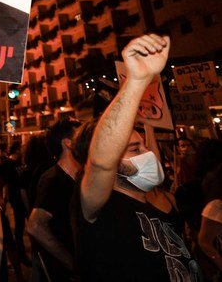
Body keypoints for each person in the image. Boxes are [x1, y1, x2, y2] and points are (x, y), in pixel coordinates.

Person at [71, 34, 202, 281]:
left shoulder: (157, 202)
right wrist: (137, 81)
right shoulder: (97, 206)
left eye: (142, 146)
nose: (148, 154)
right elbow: (101, 161)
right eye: (134, 149)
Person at [26, 119, 81, 281]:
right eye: (81, 137)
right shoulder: (53, 179)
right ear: (68, 143)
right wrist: (71, 263)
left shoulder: (81, 177)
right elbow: (35, 225)